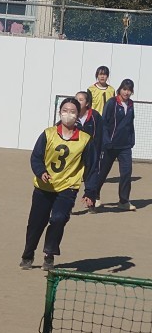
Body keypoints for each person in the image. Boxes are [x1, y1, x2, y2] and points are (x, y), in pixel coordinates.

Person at [20, 97, 97, 271]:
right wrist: (41, 171)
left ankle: (49, 254)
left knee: (59, 218)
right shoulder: (48, 134)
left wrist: (90, 191)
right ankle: (28, 254)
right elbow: (36, 157)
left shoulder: (85, 139)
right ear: (59, 112)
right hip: (44, 186)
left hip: (68, 187)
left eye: (72, 111)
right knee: (36, 223)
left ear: (78, 115)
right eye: (65, 111)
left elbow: (92, 168)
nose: (68, 114)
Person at [95, 79, 136, 211]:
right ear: (120, 89)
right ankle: (94, 196)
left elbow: (130, 123)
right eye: (124, 89)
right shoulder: (112, 102)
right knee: (102, 172)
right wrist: (106, 141)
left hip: (125, 146)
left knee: (126, 173)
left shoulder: (131, 104)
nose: (127, 92)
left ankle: (124, 201)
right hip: (110, 145)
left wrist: (131, 140)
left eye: (129, 90)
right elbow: (104, 123)